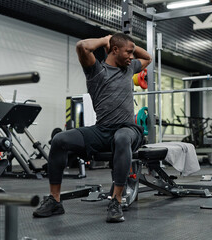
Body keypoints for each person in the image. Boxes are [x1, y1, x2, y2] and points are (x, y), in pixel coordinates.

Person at [33, 33, 152, 223]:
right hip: (102, 130)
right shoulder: (96, 70)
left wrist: (128, 44)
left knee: (121, 137)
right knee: (59, 140)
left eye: (132, 53)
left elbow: (147, 57)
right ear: (114, 50)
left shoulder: (129, 68)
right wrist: (107, 39)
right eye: (128, 52)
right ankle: (55, 201)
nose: (132, 56)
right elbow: (82, 46)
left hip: (129, 130)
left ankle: (116, 201)